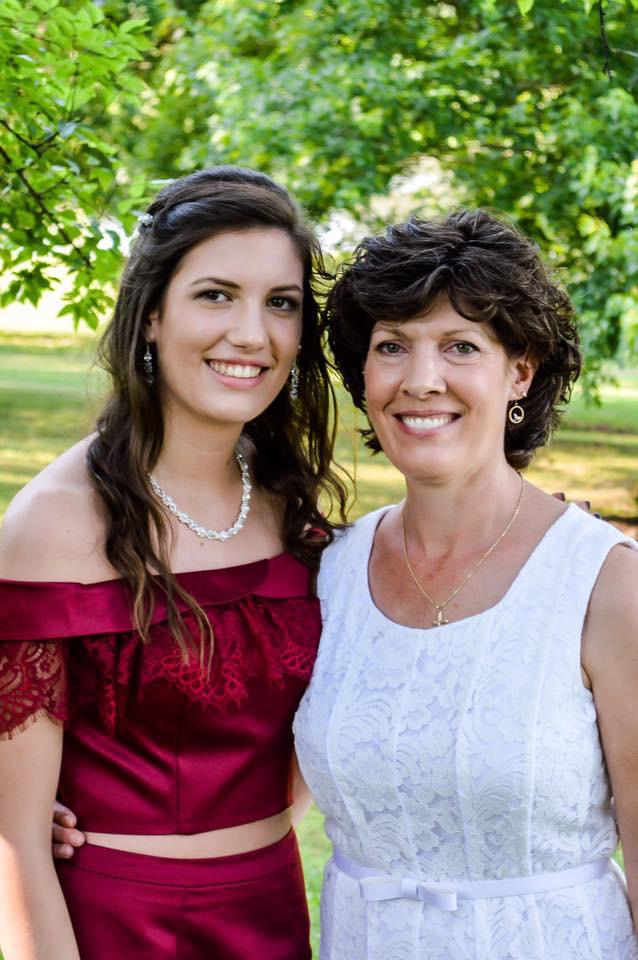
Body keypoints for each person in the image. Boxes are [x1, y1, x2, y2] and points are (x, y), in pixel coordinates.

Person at [0, 165, 347, 960]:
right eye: (216, 295)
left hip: (271, 914)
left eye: (281, 303)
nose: (252, 334)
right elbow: (13, 841)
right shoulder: (55, 521)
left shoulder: (292, 507)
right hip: (118, 924)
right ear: (152, 313)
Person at [293, 210, 638, 959]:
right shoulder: (331, 571)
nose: (421, 380)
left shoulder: (605, 583)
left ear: (521, 371)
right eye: (392, 346)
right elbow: (261, 783)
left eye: (461, 346)